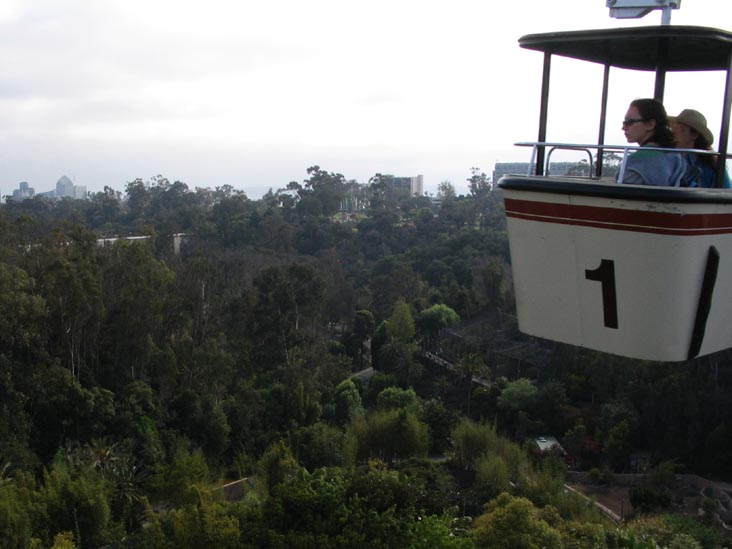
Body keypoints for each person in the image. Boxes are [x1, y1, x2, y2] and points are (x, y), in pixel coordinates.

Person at [619, 98, 687, 186]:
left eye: (629, 122)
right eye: (624, 122)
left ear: (650, 124)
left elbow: (622, 184)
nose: (623, 127)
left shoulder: (639, 159)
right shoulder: (676, 156)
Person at [670, 108, 731, 188]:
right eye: (674, 128)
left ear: (694, 135)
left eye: (682, 129)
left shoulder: (714, 169)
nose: (674, 132)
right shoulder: (669, 160)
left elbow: (726, 194)